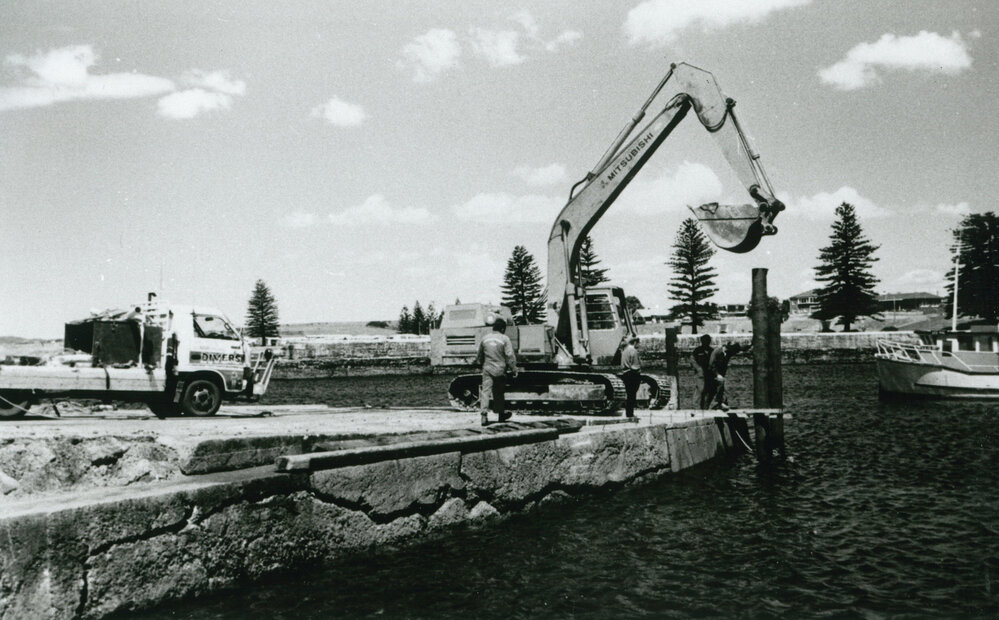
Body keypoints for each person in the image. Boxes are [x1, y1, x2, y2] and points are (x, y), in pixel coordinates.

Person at [476, 317, 518, 426]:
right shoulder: (505, 339)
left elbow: (480, 355)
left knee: (485, 392)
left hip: (487, 368)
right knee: (499, 392)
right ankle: (500, 415)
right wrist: (514, 369)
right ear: (503, 329)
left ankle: (484, 416)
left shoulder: (485, 338)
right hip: (500, 369)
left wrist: (482, 365)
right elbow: (509, 356)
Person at [708, 342, 750, 411]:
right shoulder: (717, 352)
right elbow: (711, 365)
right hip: (712, 374)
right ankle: (717, 404)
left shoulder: (729, 352)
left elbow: (741, 349)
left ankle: (721, 403)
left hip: (721, 374)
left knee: (723, 387)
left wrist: (750, 345)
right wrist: (717, 374)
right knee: (718, 387)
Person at [690, 334, 715, 410]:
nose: (706, 342)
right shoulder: (697, 350)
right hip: (700, 374)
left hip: (709, 374)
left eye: (708, 341)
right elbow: (692, 360)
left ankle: (705, 407)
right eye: (704, 341)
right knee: (700, 390)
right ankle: (695, 407)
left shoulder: (712, 351)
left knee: (709, 391)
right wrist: (698, 369)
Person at [620, 335, 642, 418]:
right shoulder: (633, 351)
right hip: (633, 374)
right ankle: (630, 414)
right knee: (632, 395)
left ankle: (628, 413)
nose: (638, 345)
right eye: (638, 343)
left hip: (625, 374)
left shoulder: (624, 351)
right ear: (635, 342)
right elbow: (636, 366)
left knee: (629, 395)